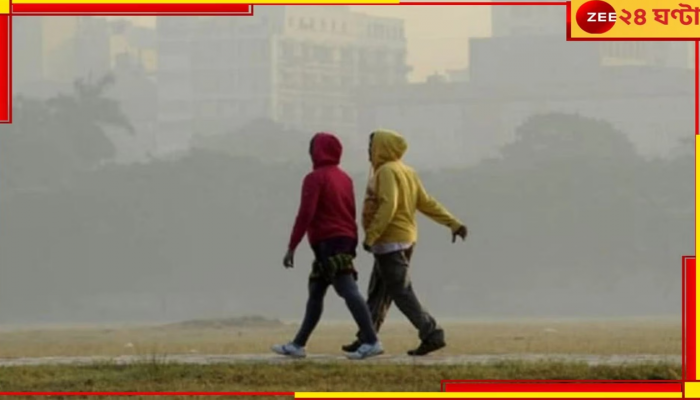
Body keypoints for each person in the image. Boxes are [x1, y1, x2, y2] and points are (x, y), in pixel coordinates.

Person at [341, 129, 468, 356]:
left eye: (372, 146)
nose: (369, 152)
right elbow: (426, 202)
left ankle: (431, 333)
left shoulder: (387, 171)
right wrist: (453, 223)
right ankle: (366, 337)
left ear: (383, 148)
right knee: (379, 291)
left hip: (390, 240)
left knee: (400, 291)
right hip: (404, 239)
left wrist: (371, 236)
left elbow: (388, 205)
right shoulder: (407, 171)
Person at [272, 132, 384, 360]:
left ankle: (372, 340)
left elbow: (306, 213)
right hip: (343, 239)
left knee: (347, 290)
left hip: (328, 243)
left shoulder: (314, 179)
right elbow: (350, 212)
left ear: (317, 151)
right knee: (316, 292)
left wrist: (292, 246)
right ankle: (298, 344)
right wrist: (353, 239)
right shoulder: (345, 178)